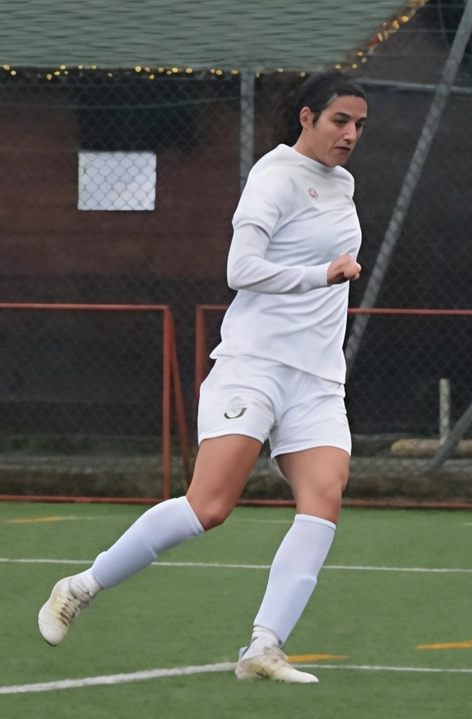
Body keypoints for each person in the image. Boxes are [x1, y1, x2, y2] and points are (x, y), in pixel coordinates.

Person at [38, 71, 369, 684]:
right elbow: (240, 268)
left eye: (358, 125)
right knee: (209, 507)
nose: (350, 135)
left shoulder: (342, 183)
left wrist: (327, 278)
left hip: (318, 379)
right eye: (338, 122)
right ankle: (81, 585)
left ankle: (263, 648)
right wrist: (319, 275)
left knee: (324, 497)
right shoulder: (272, 178)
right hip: (255, 367)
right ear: (306, 118)